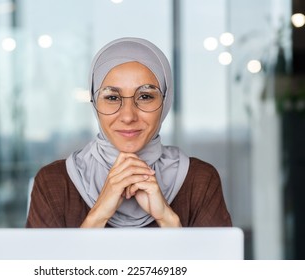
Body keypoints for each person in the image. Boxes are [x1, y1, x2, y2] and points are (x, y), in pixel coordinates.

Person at [26, 37, 232, 228]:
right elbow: (42, 268)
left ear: (165, 102)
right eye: (112, 98)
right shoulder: (54, 183)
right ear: (94, 102)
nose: (128, 116)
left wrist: (167, 219)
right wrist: (97, 216)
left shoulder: (199, 180)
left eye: (145, 96)